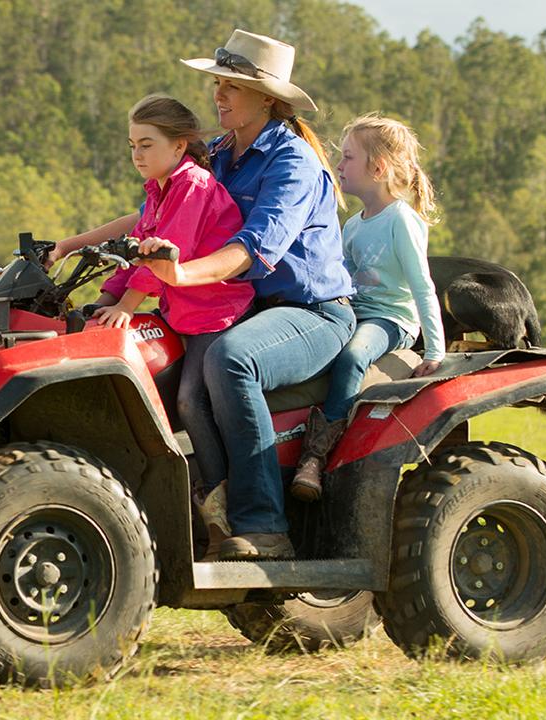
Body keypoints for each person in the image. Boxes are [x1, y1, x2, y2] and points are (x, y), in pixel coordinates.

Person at [135, 30, 354, 560]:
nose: (219, 94)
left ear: (268, 97)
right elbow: (161, 211)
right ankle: (198, 509)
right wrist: (75, 244)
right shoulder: (220, 154)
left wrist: (181, 276)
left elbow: (254, 250)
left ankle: (262, 525)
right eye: (218, 83)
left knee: (233, 361)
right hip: (246, 308)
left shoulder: (293, 161)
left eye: (233, 85)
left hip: (312, 313)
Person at [91, 95, 252, 502]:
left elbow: (164, 258)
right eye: (132, 146)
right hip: (182, 313)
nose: (137, 155)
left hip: (215, 315)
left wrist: (126, 307)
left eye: (147, 144)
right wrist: (104, 301)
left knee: (189, 401)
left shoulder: (193, 185)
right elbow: (134, 253)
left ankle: (218, 497)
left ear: (179, 145)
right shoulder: (159, 188)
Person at [289, 115, 446, 503]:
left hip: (390, 319)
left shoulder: (401, 220)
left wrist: (435, 350)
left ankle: (317, 457)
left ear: (377, 168)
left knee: (354, 355)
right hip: (355, 311)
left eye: (347, 158)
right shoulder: (352, 225)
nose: (339, 166)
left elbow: (422, 285)